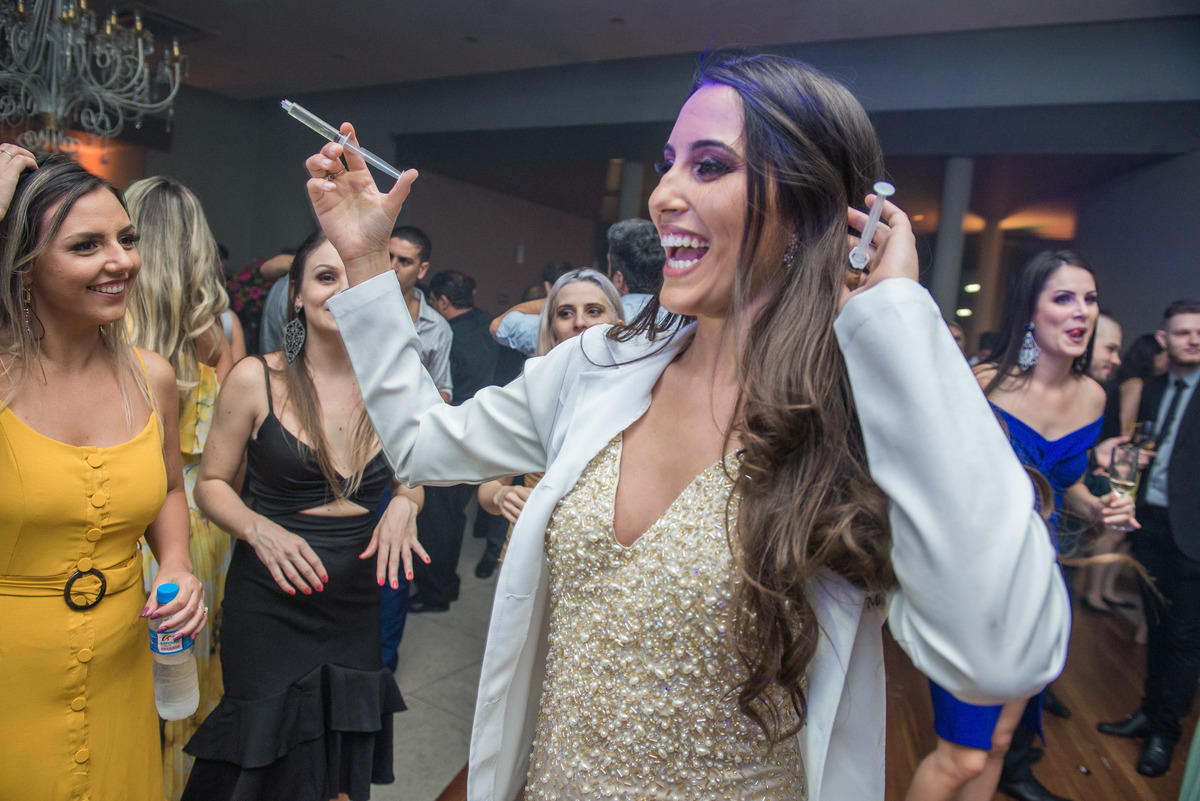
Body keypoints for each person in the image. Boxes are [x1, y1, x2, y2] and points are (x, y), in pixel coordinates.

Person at [305, 53, 1070, 801]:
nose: (665, 192)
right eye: (669, 163)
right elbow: (421, 443)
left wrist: (896, 317)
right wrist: (368, 261)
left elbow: (999, 654)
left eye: (709, 166)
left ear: (810, 210)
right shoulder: (597, 366)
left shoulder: (859, 418)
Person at [0, 147, 206, 799]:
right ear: (24, 268)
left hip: (120, 654)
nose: (121, 261)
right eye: (86, 245)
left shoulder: (151, 377)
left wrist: (175, 562)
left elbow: (170, 488)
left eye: (125, 239)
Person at [184, 230, 420, 801]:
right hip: (268, 604)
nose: (341, 291)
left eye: (355, 280)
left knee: (336, 771)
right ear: (296, 295)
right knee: (261, 765)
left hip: (353, 604)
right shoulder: (254, 379)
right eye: (325, 277)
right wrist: (255, 526)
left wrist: (405, 505)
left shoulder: (397, 388)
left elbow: (415, 475)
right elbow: (210, 484)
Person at [906, 251, 1135, 801]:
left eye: (1090, 299)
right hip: (974, 584)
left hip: (1039, 583)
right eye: (1063, 298)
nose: (1082, 312)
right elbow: (930, 476)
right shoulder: (983, 384)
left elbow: (1066, 486)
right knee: (960, 755)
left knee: (1003, 742)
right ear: (1029, 313)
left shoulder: (1094, 397)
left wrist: (1098, 507)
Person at [123, 175, 235, 801]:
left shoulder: (97, 326)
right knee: (183, 689)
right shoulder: (216, 334)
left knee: (124, 688)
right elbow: (228, 465)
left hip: (134, 519)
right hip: (200, 532)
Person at [1098, 299, 1200, 778]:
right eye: (1183, 333)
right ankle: (1147, 711)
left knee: (1184, 638)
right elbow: (1135, 446)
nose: (1193, 340)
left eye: (1199, 332)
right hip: (1151, 523)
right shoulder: (1153, 388)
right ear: (1165, 338)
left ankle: (1165, 731)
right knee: (1155, 626)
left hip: (1194, 532)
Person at [476, 268, 624, 576]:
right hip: (531, 560)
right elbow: (488, 489)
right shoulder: (532, 395)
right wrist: (503, 495)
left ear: (618, 326)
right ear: (553, 330)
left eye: (594, 311)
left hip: (608, 571)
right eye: (565, 313)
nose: (580, 322)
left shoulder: (640, 397)